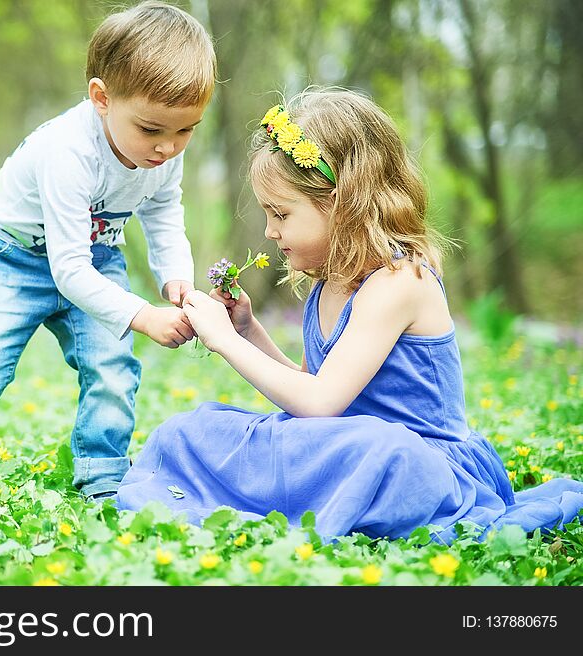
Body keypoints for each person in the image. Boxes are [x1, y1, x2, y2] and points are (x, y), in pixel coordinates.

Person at [116, 89, 583, 542]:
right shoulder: (328, 285)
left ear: (343, 203)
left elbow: (320, 404)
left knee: (380, 447)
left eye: (280, 213)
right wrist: (249, 331)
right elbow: (313, 387)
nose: (269, 231)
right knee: (190, 431)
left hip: (421, 466)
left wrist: (225, 340)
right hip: (344, 446)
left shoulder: (400, 282)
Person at [0, 1, 216, 501]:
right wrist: (143, 314)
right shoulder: (68, 153)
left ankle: (104, 477)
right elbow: (67, 270)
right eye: (151, 130)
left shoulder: (163, 157)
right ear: (101, 97)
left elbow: (163, 213)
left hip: (92, 257)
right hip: (9, 256)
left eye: (186, 130)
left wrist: (174, 277)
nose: (168, 147)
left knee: (112, 367)